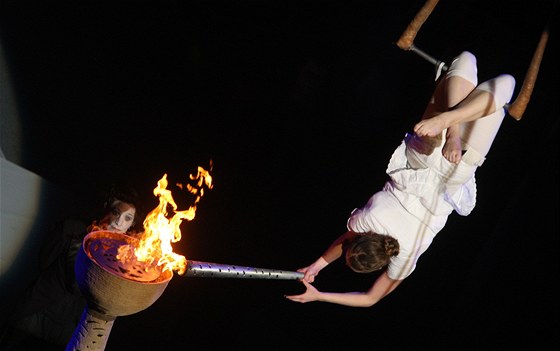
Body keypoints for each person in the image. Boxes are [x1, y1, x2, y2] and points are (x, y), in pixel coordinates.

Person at [285, 51, 516, 307]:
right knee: (467, 59)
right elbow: (346, 239)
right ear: (362, 237)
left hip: (453, 171)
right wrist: (317, 265)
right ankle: (452, 125)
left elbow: (370, 299)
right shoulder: (365, 220)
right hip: (422, 156)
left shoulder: (403, 260)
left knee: (507, 83)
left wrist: (319, 296)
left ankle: (453, 125)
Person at [0, 182, 143, 350]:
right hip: (38, 312)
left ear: (131, 225)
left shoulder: (122, 258)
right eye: (116, 212)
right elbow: (45, 260)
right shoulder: (73, 229)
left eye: (127, 218)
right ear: (107, 208)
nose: (119, 222)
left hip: (68, 326)